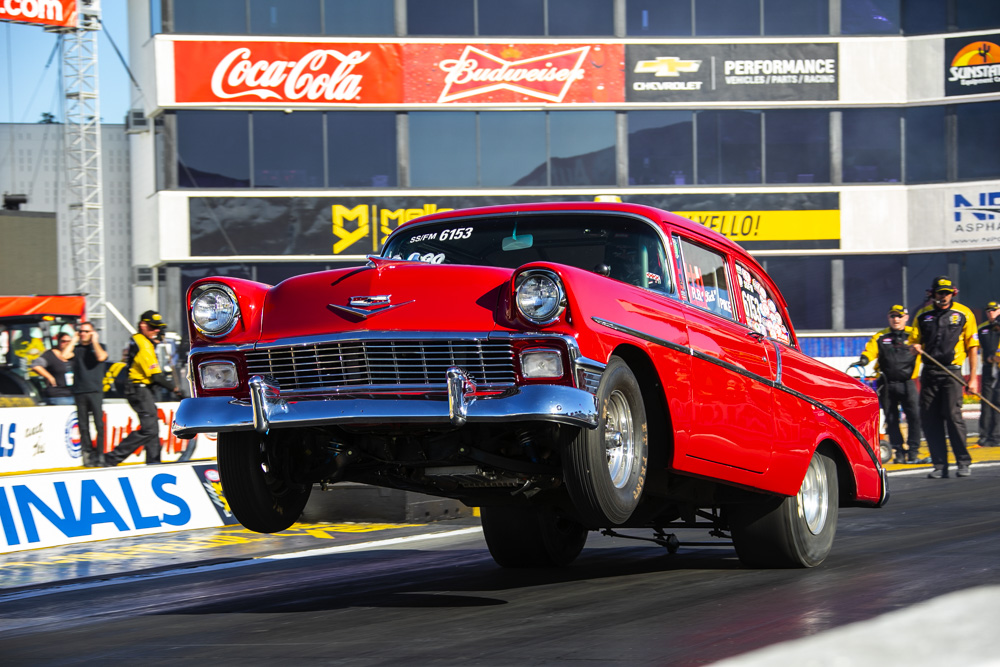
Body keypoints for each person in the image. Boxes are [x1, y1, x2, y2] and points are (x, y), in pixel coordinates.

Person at [912, 276, 980, 479]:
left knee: (952, 416)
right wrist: (914, 347)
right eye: (940, 292)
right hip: (930, 372)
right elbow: (914, 341)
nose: (944, 296)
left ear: (953, 293)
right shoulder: (923, 315)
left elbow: (973, 347)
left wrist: (973, 378)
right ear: (932, 294)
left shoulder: (963, 313)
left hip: (952, 372)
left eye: (947, 293)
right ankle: (940, 465)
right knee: (930, 419)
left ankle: (963, 461)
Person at [103, 311, 182, 467]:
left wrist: (154, 342)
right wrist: (175, 389)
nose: (157, 331)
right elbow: (156, 376)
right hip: (138, 389)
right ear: (142, 325)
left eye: (158, 328)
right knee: (149, 430)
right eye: (153, 327)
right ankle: (112, 458)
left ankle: (154, 463)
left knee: (152, 427)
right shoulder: (143, 345)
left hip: (142, 389)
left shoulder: (144, 341)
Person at [857, 304, 922, 463]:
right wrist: (865, 359)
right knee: (892, 419)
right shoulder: (881, 336)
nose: (896, 319)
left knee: (914, 417)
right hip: (887, 383)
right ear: (889, 318)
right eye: (893, 316)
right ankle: (898, 452)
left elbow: (926, 346)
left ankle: (913, 452)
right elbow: (870, 350)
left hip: (908, 383)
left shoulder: (914, 335)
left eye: (899, 316)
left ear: (906, 318)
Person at [66, 322, 109, 467]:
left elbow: (102, 357)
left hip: (95, 390)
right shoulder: (76, 349)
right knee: (83, 426)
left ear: (92, 332)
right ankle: (88, 454)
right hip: (80, 390)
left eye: (86, 331)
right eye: (81, 331)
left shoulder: (99, 347)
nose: (83, 333)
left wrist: (94, 341)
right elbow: (65, 355)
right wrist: (73, 339)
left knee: (99, 424)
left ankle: (100, 454)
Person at [30, 331, 76, 405]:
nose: (67, 343)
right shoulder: (50, 355)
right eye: (63, 341)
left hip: (74, 393)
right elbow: (36, 366)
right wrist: (49, 377)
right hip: (58, 395)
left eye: (69, 341)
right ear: (58, 342)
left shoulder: (74, 354)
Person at [978, 301, 1000, 447]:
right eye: (988, 310)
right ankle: (984, 435)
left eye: (994, 310)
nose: (990, 313)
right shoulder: (982, 328)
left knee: (998, 401)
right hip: (987, 367)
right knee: (986, 401)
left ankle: (996, 436)